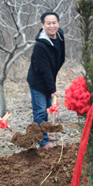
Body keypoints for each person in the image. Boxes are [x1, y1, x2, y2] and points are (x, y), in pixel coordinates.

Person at [26, 12, 65, 149]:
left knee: (48, 109)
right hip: (38, 83)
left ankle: (45, 134)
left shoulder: (60, 35)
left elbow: (61, 56)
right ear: (43, 25)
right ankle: (42, 142)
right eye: (48, 23)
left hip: (49, 79)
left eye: (54, 22)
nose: (52, 26)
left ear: (58, 23)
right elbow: (45, 70)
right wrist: (52, 89)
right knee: (40, 111)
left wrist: (55, 74)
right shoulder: (40, 46)